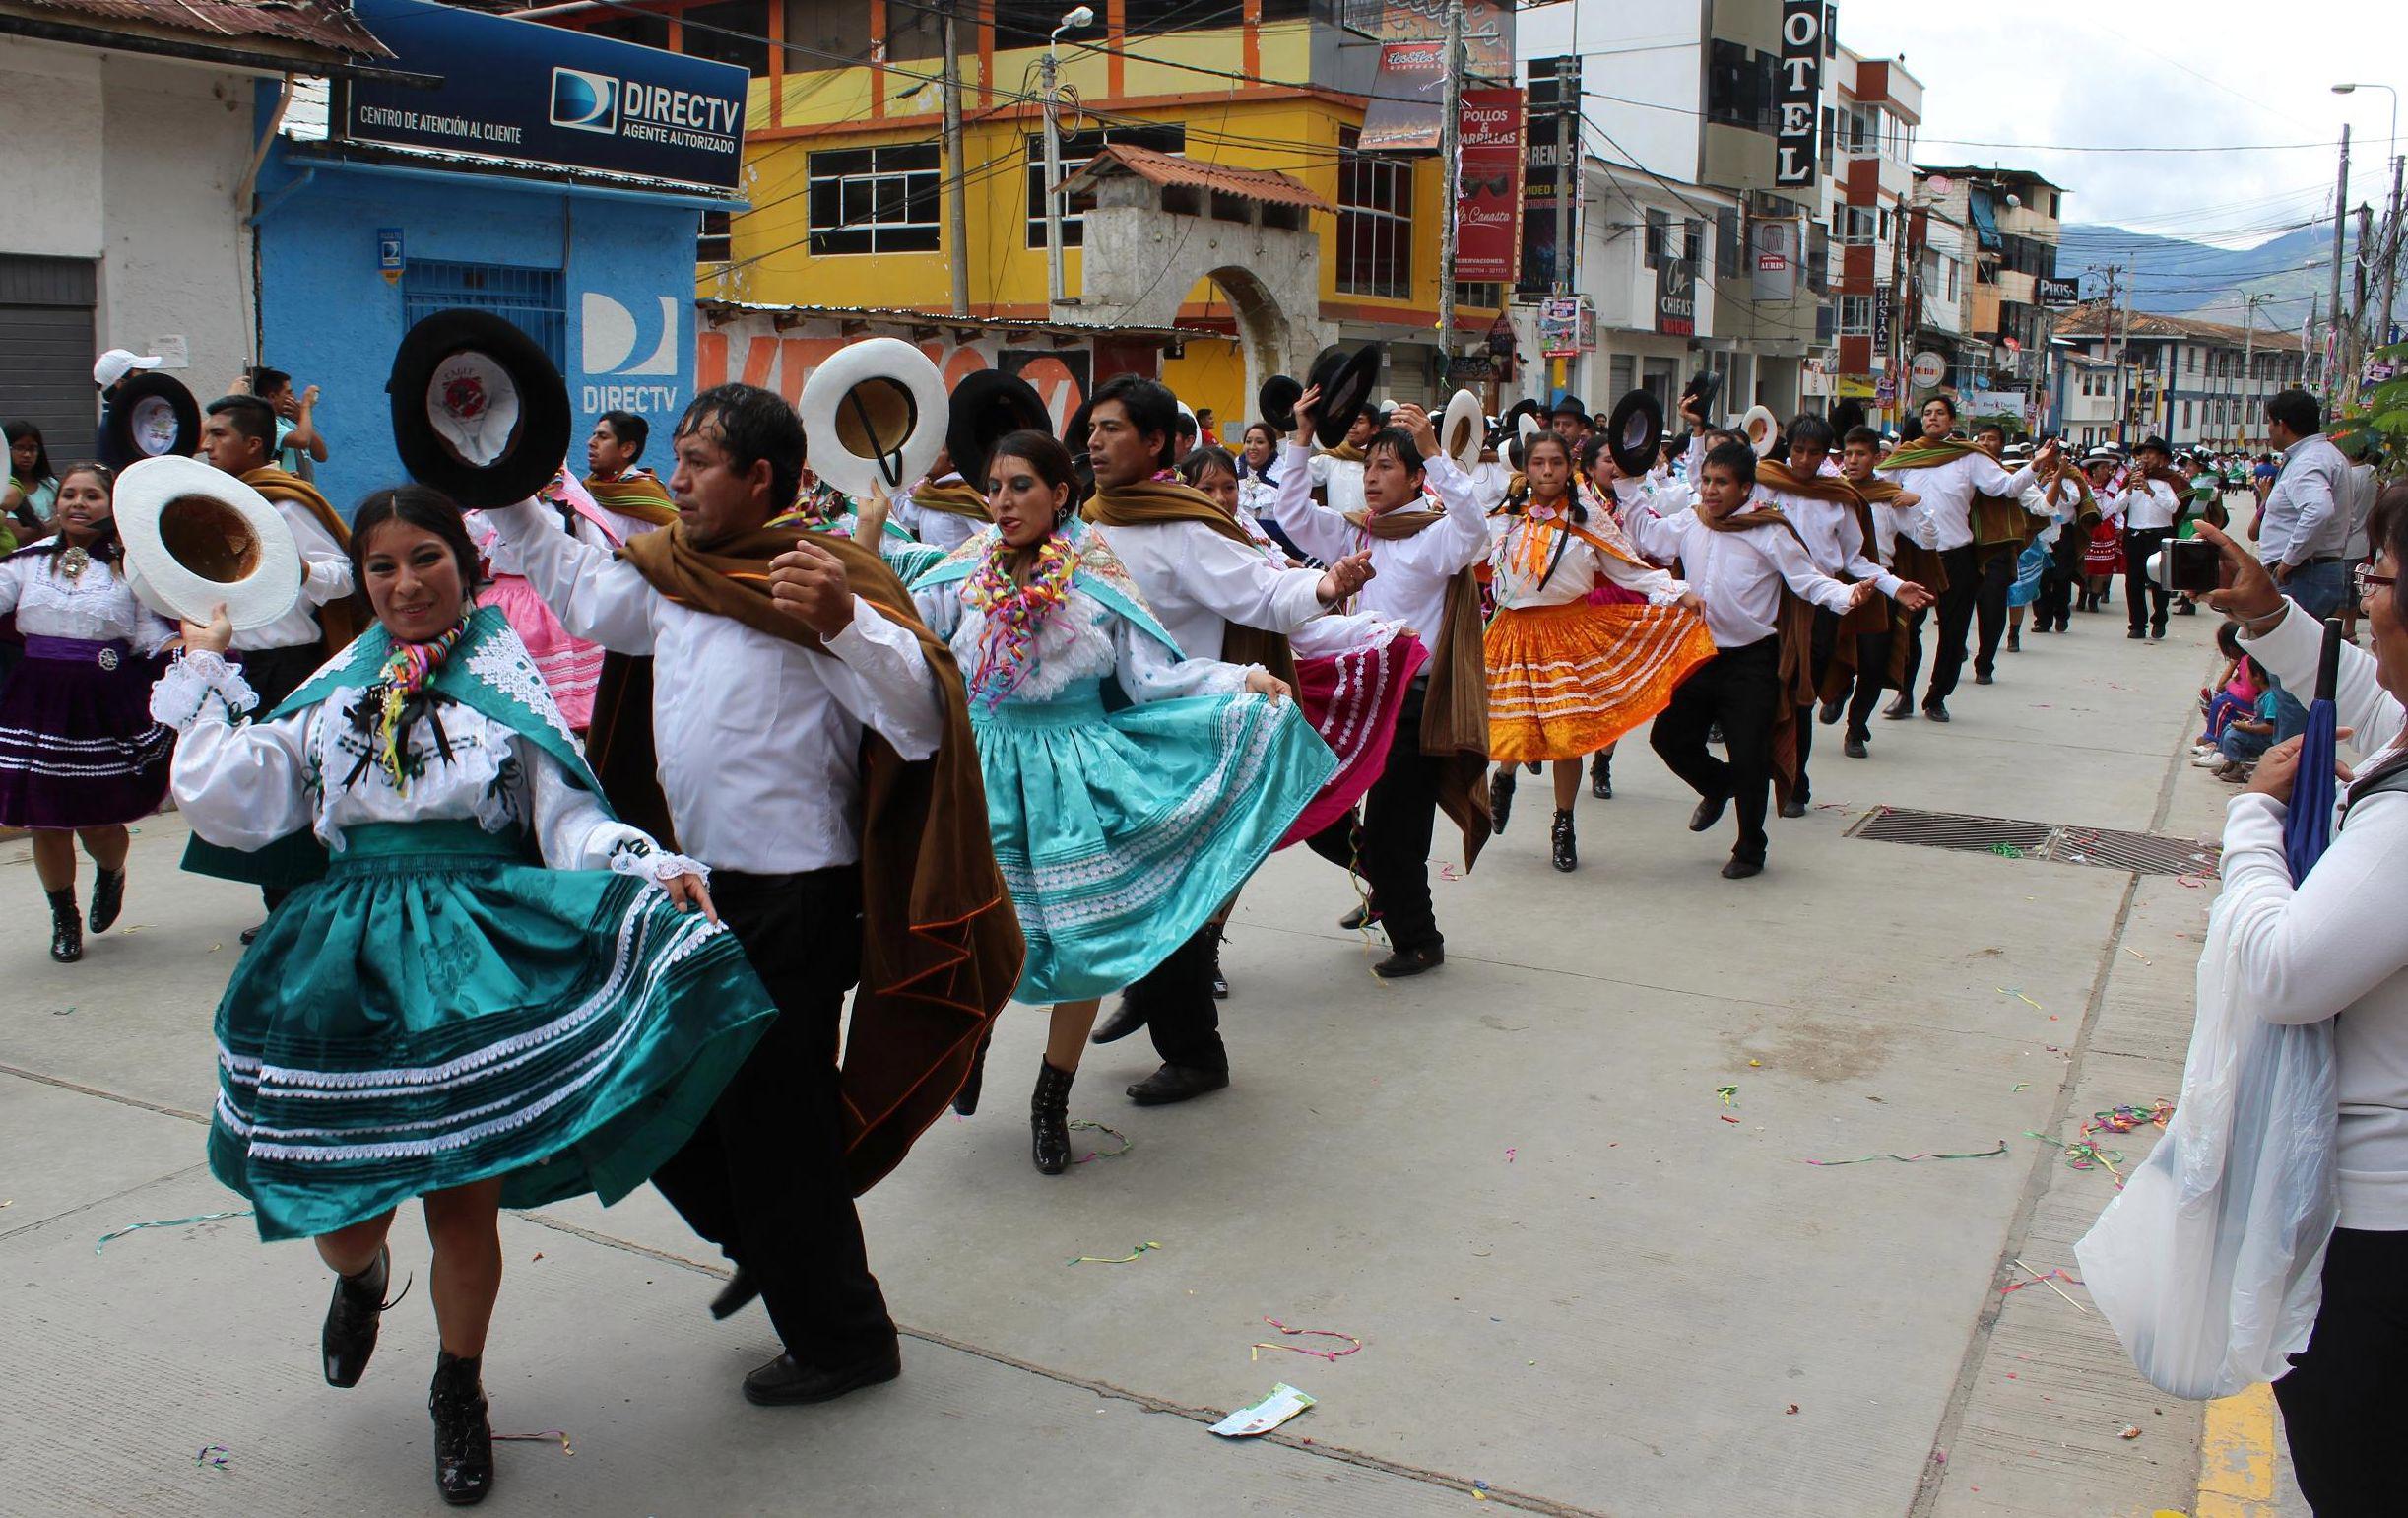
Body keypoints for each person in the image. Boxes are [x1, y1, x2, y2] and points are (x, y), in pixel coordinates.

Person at [156, 486, 773, 1506]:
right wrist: (203, 666)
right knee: (343, 1204)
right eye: (383, 565)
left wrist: (643, 863)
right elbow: (238, 795)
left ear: (468, 562)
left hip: (475, 957)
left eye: (426, 558)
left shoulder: (501, 674)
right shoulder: (337, 681)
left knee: (461, 1193)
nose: (404, 583)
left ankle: (459, 1388)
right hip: (345, 957)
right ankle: (359, 1279)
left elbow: (563, 812)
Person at [488, 383, 1018, 1406]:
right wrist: (507, 494)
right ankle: (775, 1243)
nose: (676, 479)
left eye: (700, 461)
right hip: (695, 891)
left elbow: (917, 718)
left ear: (762, 478)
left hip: (799, 900)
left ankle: (844, 1337)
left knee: (778, 1130)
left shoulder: (818, 579)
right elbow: (588, 593)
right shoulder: (679, 573)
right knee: (661, 1097)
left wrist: (846, 623)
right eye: (677, 457)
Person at [914, 430, 1330, 1170]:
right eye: (993, 486)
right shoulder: (965, 566)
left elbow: (1153, 677)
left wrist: (1241, 682)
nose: (1001, 502)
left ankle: (1050, 1099)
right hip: (976, 769)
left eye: (1019, 487)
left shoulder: (1097, 573)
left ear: (1060, 495)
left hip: (1069, 776)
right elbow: (900, 622)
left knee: (1079, 947)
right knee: (976, 928)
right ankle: (970, 1041)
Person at [2194, 495, 2408, 1512]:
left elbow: (2281, 971)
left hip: (2382, 1232)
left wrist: (2250, 820)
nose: (2368, 601)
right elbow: (2372, 697)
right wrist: (2273, 615)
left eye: (2381, 580)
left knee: (2355, 1464)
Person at [1078, 374, 1371, 1092]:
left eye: (1111, 428)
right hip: (1099, 732)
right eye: (1090, 426)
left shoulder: (1180, 527)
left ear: (1154, 444)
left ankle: (1193, 1052)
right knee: (1121, 887)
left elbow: (1261, 591)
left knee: (1161, 887)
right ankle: (1154, 999)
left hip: (1175, 730)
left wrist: (1325, 587)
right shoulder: (1083, 520)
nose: (1093, 439)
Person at [1269, 388, 1489, 974]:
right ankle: (1387, 891)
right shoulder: (1355, 534)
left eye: (1387, 466)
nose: (1371, 475)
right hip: (1351, 699)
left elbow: (1475, 529)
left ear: (1418, 480)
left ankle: (1418, 938)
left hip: (1411, 703)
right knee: (1318, 813)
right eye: (1367, 465)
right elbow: (1292, 515)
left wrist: (1434, 449)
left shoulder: (1434, 538)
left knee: (1397, 829)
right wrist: (1299, 438)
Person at [1632, 441, 1870, 879]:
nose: (1710, 491)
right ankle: (1718, 785)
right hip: (1698, 655)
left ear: (1746, 487)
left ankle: (1749, 848)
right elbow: (1646, 537)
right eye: (1705, 480)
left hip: (1752, 661)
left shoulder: (1769, 531)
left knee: (1750, 755)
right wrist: (1627, 485)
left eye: (1721, 482)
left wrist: (1846, 594)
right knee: (1668, 739)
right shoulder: (1692, 521)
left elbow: (1808, 581)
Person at [1482, 429, 1709, 869]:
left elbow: (1629, 568)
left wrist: (1676, 592)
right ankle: (1503, 779)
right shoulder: (1505, 516)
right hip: (1511, 635)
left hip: (1567, 635)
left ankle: (1563, 824)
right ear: (1525, 469)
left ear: (1571, 469)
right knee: (1515, 727)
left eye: (1556, 463)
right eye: (1538, 463)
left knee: (1569, 738)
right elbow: (1464, 552)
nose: (1547, 471)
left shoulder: (1588, 519)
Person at [191, 393, 360, 941]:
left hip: (295, 668)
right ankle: (280, 909)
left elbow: (345, 575)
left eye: (219, 434)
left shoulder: (286, 506)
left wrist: (299, 565)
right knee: (254, 786)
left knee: (300, 791)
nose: (207, 444)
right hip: (243, 668)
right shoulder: (217, 504)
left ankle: (309, 911)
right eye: (207, 434)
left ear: (255, 444)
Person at [0, 463, 175, 961]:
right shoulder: (28, 563)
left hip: (102, 706)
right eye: (70, 494)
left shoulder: (133, 571)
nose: (77, 503)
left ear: (112, 506)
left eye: (91, 496)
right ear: (57, 505)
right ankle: (64, 919)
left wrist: (188, 649)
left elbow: (150, 637)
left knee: (99, 820)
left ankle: (111, 873)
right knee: (46, 821)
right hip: (37, 703)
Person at [1756, 416, 1932, 801]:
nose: (1804, 460)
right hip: (1765, 602)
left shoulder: (1839, 497)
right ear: (1787, 448)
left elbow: (1856, 559)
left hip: (1820, 604)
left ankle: (1796, 780)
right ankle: (1763, 774)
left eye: (1814, 453)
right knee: (1763, 694)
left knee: (1803, 694)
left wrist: (1894, 585)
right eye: (1798, 450)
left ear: (1825, 455)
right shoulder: (1761, 482)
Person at [1875, 396, 2053, 718]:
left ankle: (1937, 697)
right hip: (1915, 557)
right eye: (1928, 413)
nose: (1932, 418)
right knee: (1907, 627)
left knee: (1953, 632)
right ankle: (1904, 694)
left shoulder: (1970, 457)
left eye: (1940, 413)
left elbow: (2008, 487)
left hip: (1957, 556)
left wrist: (2036, 464)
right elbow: (1877, 489)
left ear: (1952, 421)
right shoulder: (1905, 456)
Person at [2254, 390, 2355, 626]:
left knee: (2287, 655)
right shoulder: (2325, 455)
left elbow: (2318, 511)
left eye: (2269, 422)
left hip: (2303, 575)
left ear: (2282, 424)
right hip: (2311, 571)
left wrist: (2289, 561)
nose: (2268, 429)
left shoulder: (2309, 460)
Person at [2117, 436, 2184, 640]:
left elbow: (2174, 507)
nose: (2145, 457)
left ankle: (2159, 618)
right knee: (2134, 581)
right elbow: (2118, 508)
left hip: (2160, 534)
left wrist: (2151, 491)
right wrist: (2129, 490)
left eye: (2151, 453)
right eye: (2142, 453)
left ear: (2162, 458)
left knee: (2159, 581)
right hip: (2136, 534)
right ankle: (2137, 624)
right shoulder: (2131, 478)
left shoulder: (2169, 480)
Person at [581, 410, 680, 531]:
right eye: (593, 435)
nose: (591, 442)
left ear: (628, 449)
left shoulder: (648, 498)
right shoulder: (587, 490)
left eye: (603, 437)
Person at [896, 446, 992, 556]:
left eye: (938, 449)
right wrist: (892, 476)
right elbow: (908, 516)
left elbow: (991, 540)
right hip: (933, 571)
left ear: (952, 460)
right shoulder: (928, 493)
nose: (928, 454)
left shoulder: (965, 497)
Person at [241, 366, 328, 476]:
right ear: (272, 397)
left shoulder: (290, 422)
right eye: (288, 393)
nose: (293, 397)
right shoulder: (267, 424)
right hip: (281, 491)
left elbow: (321, 455)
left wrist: (300, 418)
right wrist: (306, 406)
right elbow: (302, 440)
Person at [7, 420, 58, 537]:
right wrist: (54, 525)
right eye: (19, 448)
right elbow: (19, 536)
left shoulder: (51, 485)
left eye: (32, 449)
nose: (27, 455)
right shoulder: (5, 490)